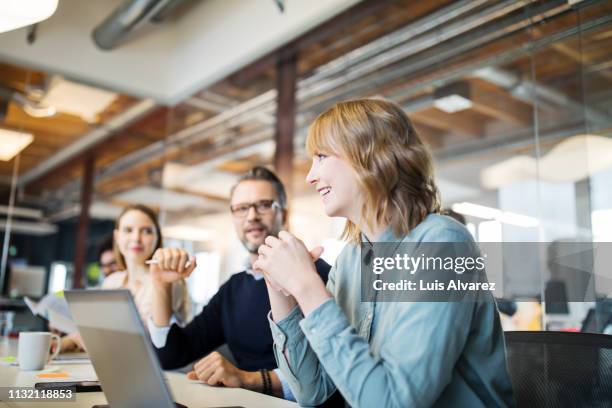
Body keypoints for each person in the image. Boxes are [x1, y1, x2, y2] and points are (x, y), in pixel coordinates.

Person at [255, 99, 516, 407]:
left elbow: (393, 402)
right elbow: (312, 390)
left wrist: (307, 287)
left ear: (369, 155)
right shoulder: (352, 260)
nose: (310, 176)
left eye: (322, 156)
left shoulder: (442, 244)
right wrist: (282, 290)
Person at [147, 167, 331, 400]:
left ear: (283, 214)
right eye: (242, 208)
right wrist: (161, 285)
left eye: (264, 205)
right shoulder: (233, 290)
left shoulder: (319, 275)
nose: (251, 216)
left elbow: (329, 372)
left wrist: (248, 379)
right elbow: (172, 356)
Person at [59, 204, 190, 352]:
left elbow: (160, 342)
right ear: (117, 236)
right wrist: (63, 342)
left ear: (157, 237)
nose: (136, 238)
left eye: (146, 231)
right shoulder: (112, 281)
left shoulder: (169, 281)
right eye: (128, 230)